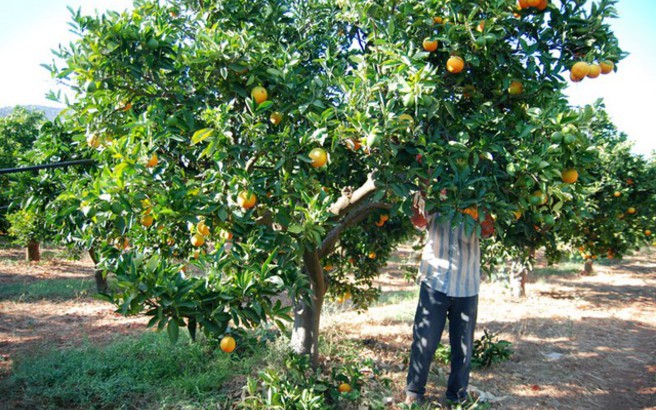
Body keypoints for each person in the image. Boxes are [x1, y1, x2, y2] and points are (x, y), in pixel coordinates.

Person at [405, 193, 492, 406]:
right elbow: (418, 222)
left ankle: (457, 396)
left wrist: (475, 210)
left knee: (463, 347)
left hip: (466, 283)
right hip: (435, 280)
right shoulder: (434, 192)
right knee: (424, 340)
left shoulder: (478, 196)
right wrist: (419, 202)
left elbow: (489, 231)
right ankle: (414, 391)